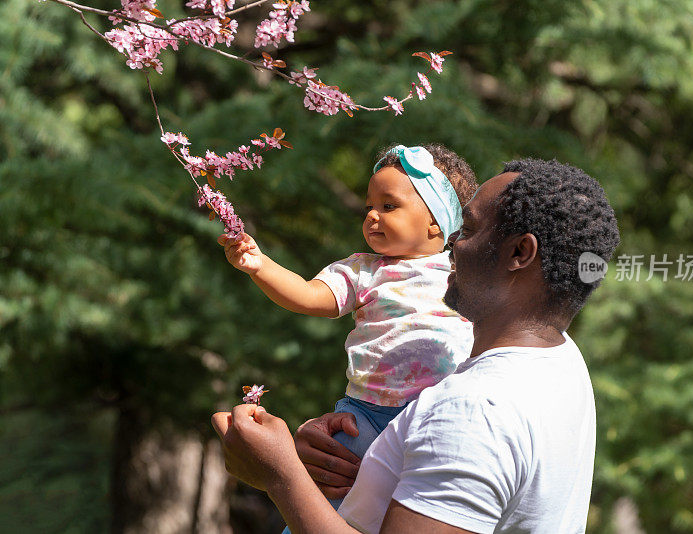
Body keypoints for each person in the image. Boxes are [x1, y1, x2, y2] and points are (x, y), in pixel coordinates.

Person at [212, 158, 621, 533]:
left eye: (470, 229)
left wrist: (280, 475)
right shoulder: (559, 358)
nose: (454, 242)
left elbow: (457, 432)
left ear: (519, 252)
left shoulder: (473, 413)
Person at [217, 144, 477, 490]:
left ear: (436, 220)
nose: (371, 216)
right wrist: (260, 265)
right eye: (369, 207)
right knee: (335, 494)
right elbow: (309, 296)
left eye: (389, 206)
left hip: (440, 414)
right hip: (366, 414)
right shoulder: (363, 270)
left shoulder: (465, 272)